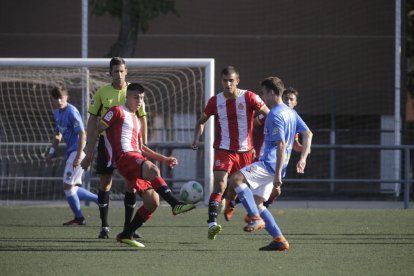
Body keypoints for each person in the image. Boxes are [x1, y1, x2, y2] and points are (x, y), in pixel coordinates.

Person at [81, 83, 195, 247]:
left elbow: (141, 148)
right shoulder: (116, 110)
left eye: (141, 98)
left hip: (134, 156)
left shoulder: (135, 119)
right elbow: (97, 128)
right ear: (127, 97)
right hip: (124, 157)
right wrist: (90, 152)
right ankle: (175, 204)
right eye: (136, 97)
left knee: (153, 201)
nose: (139, 101)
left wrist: (165, 159)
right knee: (152, 169)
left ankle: (126, 234)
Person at [227, 76, 312, 251]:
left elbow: (281, 144)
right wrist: (303, 158)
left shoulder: (275, 114)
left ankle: (255, 218)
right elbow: (308, 134)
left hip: (270, 165)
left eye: (264, 93)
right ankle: (279, 240)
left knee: (235, 179)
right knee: (258, 204)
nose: (262, 97)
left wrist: (277, 174)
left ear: (272, 92)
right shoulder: (291, 112)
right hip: (277, 167)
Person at [191, 66, 269, 240]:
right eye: (225, 80)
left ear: (237, 81)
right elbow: (201, 121)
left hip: (245, 151)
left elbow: (269, 114)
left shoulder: (249, 97)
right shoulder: (214, 101)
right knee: (220, 184)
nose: (228, 84)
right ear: (221, 81)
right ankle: (212, 223)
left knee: (238, 189)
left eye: (231, 80)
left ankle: (230, 203)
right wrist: (196, 138)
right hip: (223, 149)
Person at [84, 57, 148, 239]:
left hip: (130, 146)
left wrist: (143, 144)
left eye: (121, 71)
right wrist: (90, 147)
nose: (119, 74)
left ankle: (129, 228)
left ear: (126, 71)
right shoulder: (102, 93)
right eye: (115, 71)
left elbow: (142, 117)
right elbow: (92, 120)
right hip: (107, 145)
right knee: (105, 184)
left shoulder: (134, 92)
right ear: (110, 73)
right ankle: (104, 226)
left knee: (131, 186)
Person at [46, 86, 98, 226]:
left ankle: (80, 218)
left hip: (78, 152)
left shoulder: (72, 111)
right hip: (72, 152)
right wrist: (51, 151)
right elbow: (58, 134)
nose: (58, 101)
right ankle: (100, 200)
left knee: (67, 186)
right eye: (55, 98)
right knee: (72, 187)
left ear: (66, 97)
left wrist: (77, 157)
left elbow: (82, 134)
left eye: (61, 97)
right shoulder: (56, 113)